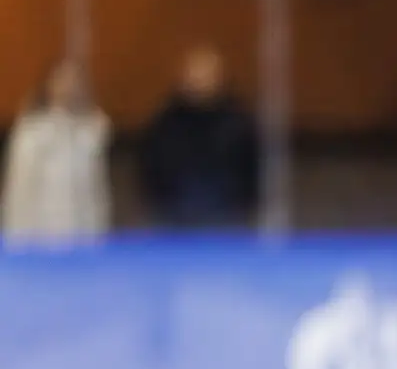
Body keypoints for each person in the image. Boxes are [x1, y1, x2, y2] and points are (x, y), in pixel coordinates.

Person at [139, 45, 258, 228]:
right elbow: (151, 168)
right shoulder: (165, 123)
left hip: (228, 216)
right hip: (173, 215)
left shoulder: (239, 124)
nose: (199, 82)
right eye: (194, 75)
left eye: (206, 75)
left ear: (219, 78)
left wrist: (242, 205)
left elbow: (252, 170)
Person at [2, 61, 111, 245]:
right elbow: (19, 190)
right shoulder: (30, 131)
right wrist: (17, 241)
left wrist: (99, 238)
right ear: (48, 84)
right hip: (37, 236)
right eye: (63, 79)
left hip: (82, 237)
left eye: (76, 80)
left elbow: (97, 193)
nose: (69, 86)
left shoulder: (91, 133)